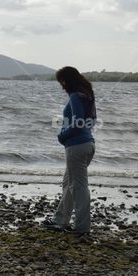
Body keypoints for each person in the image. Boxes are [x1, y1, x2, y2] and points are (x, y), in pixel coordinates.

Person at [44, 66, 97, 236]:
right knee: (69, 183)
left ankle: (82, 228)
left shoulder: (75, 96)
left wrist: (63, 136)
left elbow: (78, 122)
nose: (61, 86)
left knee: (79, 187)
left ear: (67, 81)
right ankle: (60, 221)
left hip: (76, 146)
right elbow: (92, 121)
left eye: (62, 82)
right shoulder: (88, 95)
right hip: (87, 144)